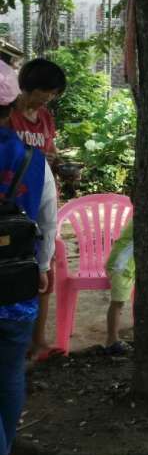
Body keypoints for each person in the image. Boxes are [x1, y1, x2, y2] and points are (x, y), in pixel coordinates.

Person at [0, 60, 57, 455]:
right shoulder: (34, 161)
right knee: (9, 374)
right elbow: (49, 223)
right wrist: (42, 266)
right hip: (18, 288)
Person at [11, 58, 66, 363]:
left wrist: (56, 161)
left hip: (43, 200)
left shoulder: (44, 117)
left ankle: (39, 340)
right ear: (30, 86)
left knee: (45, 268)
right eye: (46, 90)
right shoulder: (9, 115)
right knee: (15, 269)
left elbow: (51, 151)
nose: (49, 97)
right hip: (15, 204)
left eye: (54, 93)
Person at [104, 219, 134, 354]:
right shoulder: (144, 218)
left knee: (119, 303)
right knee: (118, 303)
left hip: (129, 266)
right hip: (122, 266)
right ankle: (112, 340)